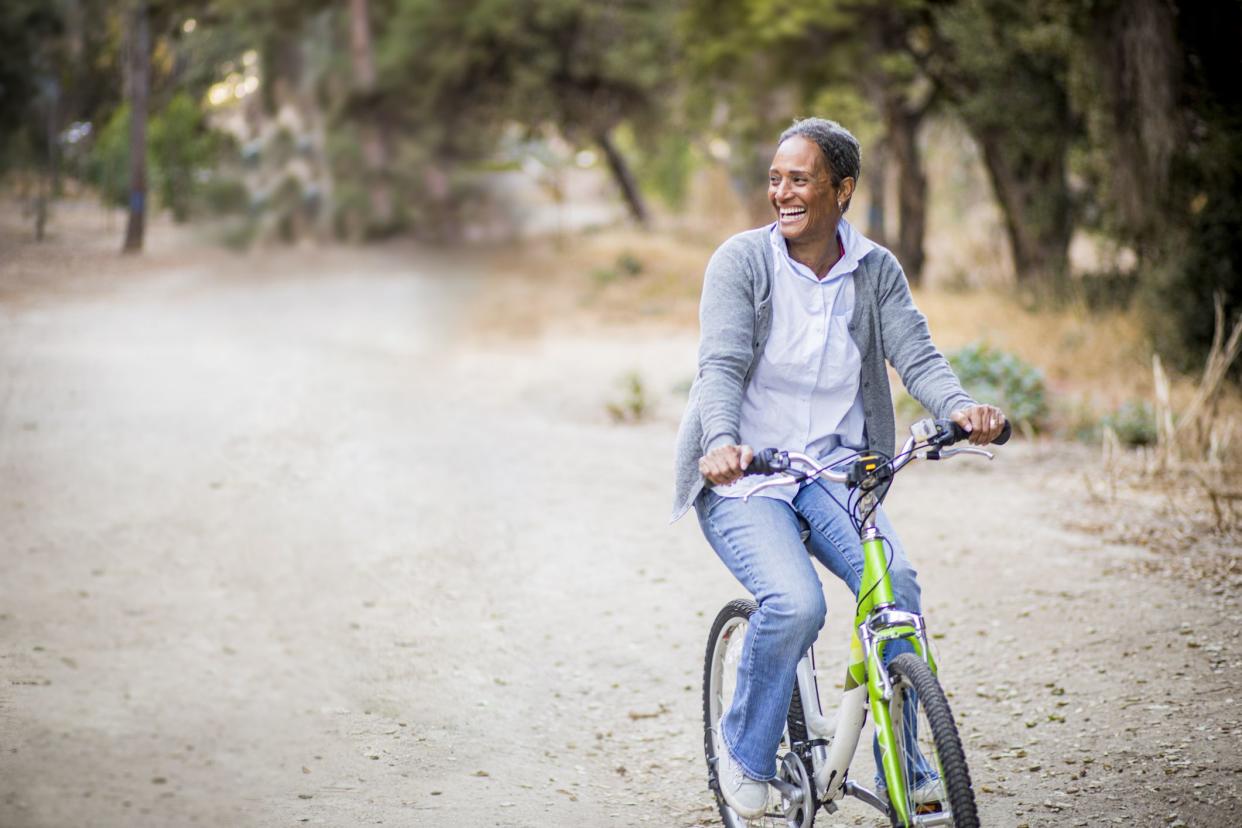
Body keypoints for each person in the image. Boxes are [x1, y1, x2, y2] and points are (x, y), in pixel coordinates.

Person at [671, 117, 1005, 818]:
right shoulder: (742, 262)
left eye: (799, 179)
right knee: (795, 604)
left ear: (842, 189)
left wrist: (965, 408)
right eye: (775, 179)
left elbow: (917, 355)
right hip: (748, 475)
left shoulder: (874, 269)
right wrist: (724, 441)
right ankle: (744, 754)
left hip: (833, 472)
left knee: (897, 587)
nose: (781, 193)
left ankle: (905, 766)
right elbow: (722, 365)